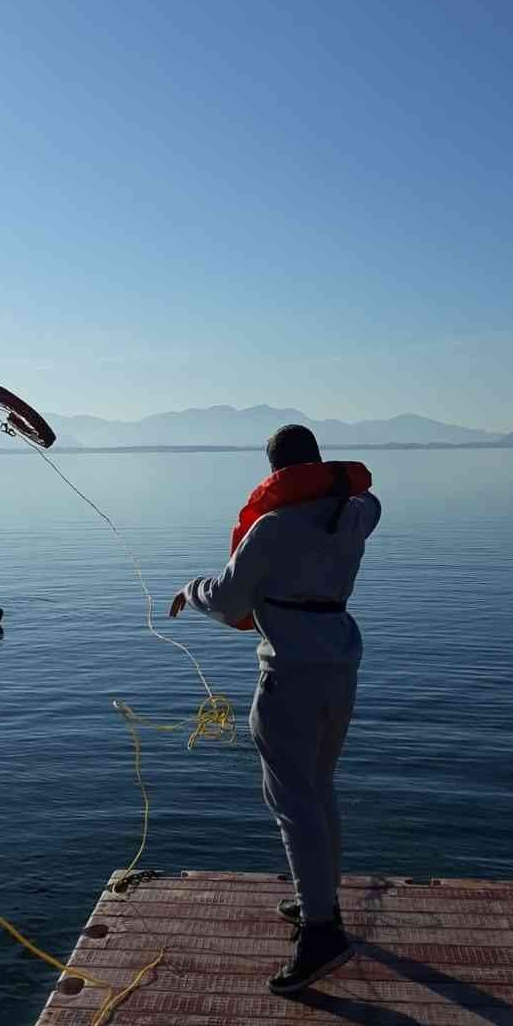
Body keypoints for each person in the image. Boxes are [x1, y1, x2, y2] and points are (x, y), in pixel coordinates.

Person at [169, 424, 381, 994]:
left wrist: (190, 588)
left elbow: (231, 599)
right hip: (341, 662)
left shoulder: (270, 527)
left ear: (274, 475)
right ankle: (321, 902)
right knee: (320, 786)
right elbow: (363, 499)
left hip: (289, 673)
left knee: (291, 800)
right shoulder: (359, 513)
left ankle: (320, 934)